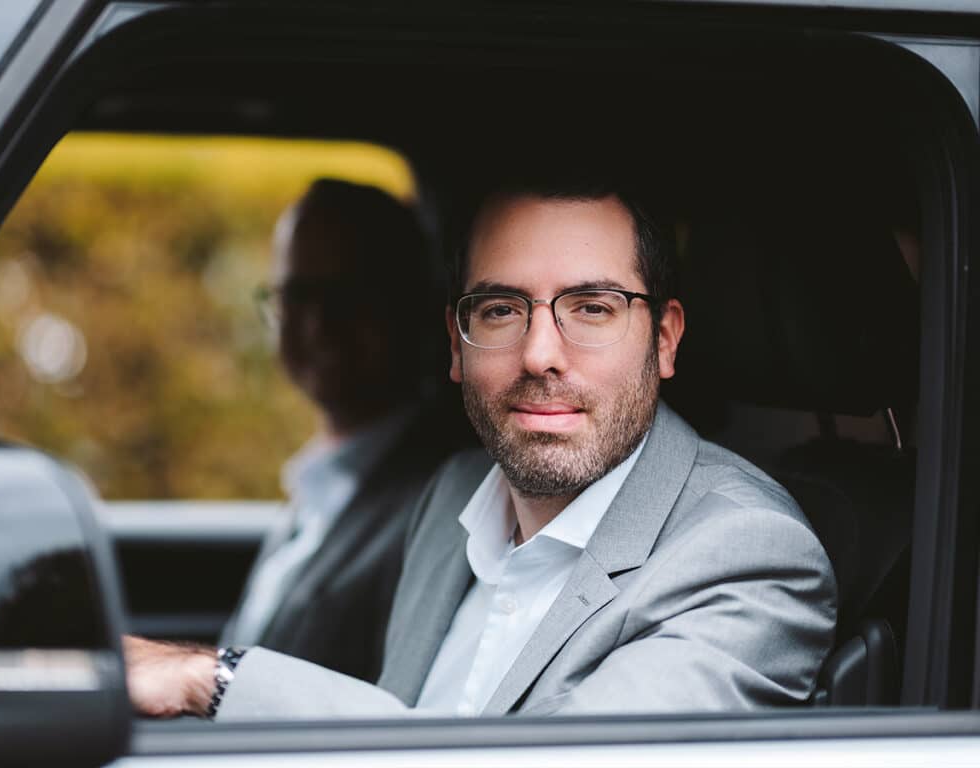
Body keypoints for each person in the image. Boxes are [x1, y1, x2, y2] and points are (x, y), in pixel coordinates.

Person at [125, 172, 836, 719]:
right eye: (500, 311)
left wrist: (211, 680)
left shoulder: (749, 554)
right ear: (456, 346)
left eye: (591, 308)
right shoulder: (452, 498)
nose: (540, 354)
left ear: (666, 338)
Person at [220, 179, 466, 683]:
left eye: (348, 294)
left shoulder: (444, 500)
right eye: (297, 295)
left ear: (410, 304)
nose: (318, 323)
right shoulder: (316, 486)